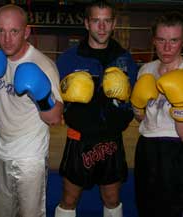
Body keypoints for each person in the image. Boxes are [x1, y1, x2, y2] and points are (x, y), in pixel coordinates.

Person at [0, 4, 63, 217]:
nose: (7, 39)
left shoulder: (43, 65)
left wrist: (41, 95)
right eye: (1, 31)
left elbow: (55, 118)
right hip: (0, 151)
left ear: (26, 31)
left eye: (14, 31)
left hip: (30, 157)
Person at [54, 1, 138, 217]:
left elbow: (133, 101)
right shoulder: (68, 59)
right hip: (78, 139)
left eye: (107, 21)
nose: (101, 27)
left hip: (112, 139)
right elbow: (56, 102)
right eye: (96, 21)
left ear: (114, 24)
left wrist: (123, 113)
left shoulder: (125, 59)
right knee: (69, 198)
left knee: (112, 198)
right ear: (86, 23)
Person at [131, 11, 183, 217]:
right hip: (147, 146)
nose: (167, 47)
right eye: (161, 40)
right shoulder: (145, 69)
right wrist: (137, 105)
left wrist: (180, 105)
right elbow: (140, 118)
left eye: (174, 40)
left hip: (176, 148)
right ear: (153, 41)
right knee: (146, 207)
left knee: (173, 209)